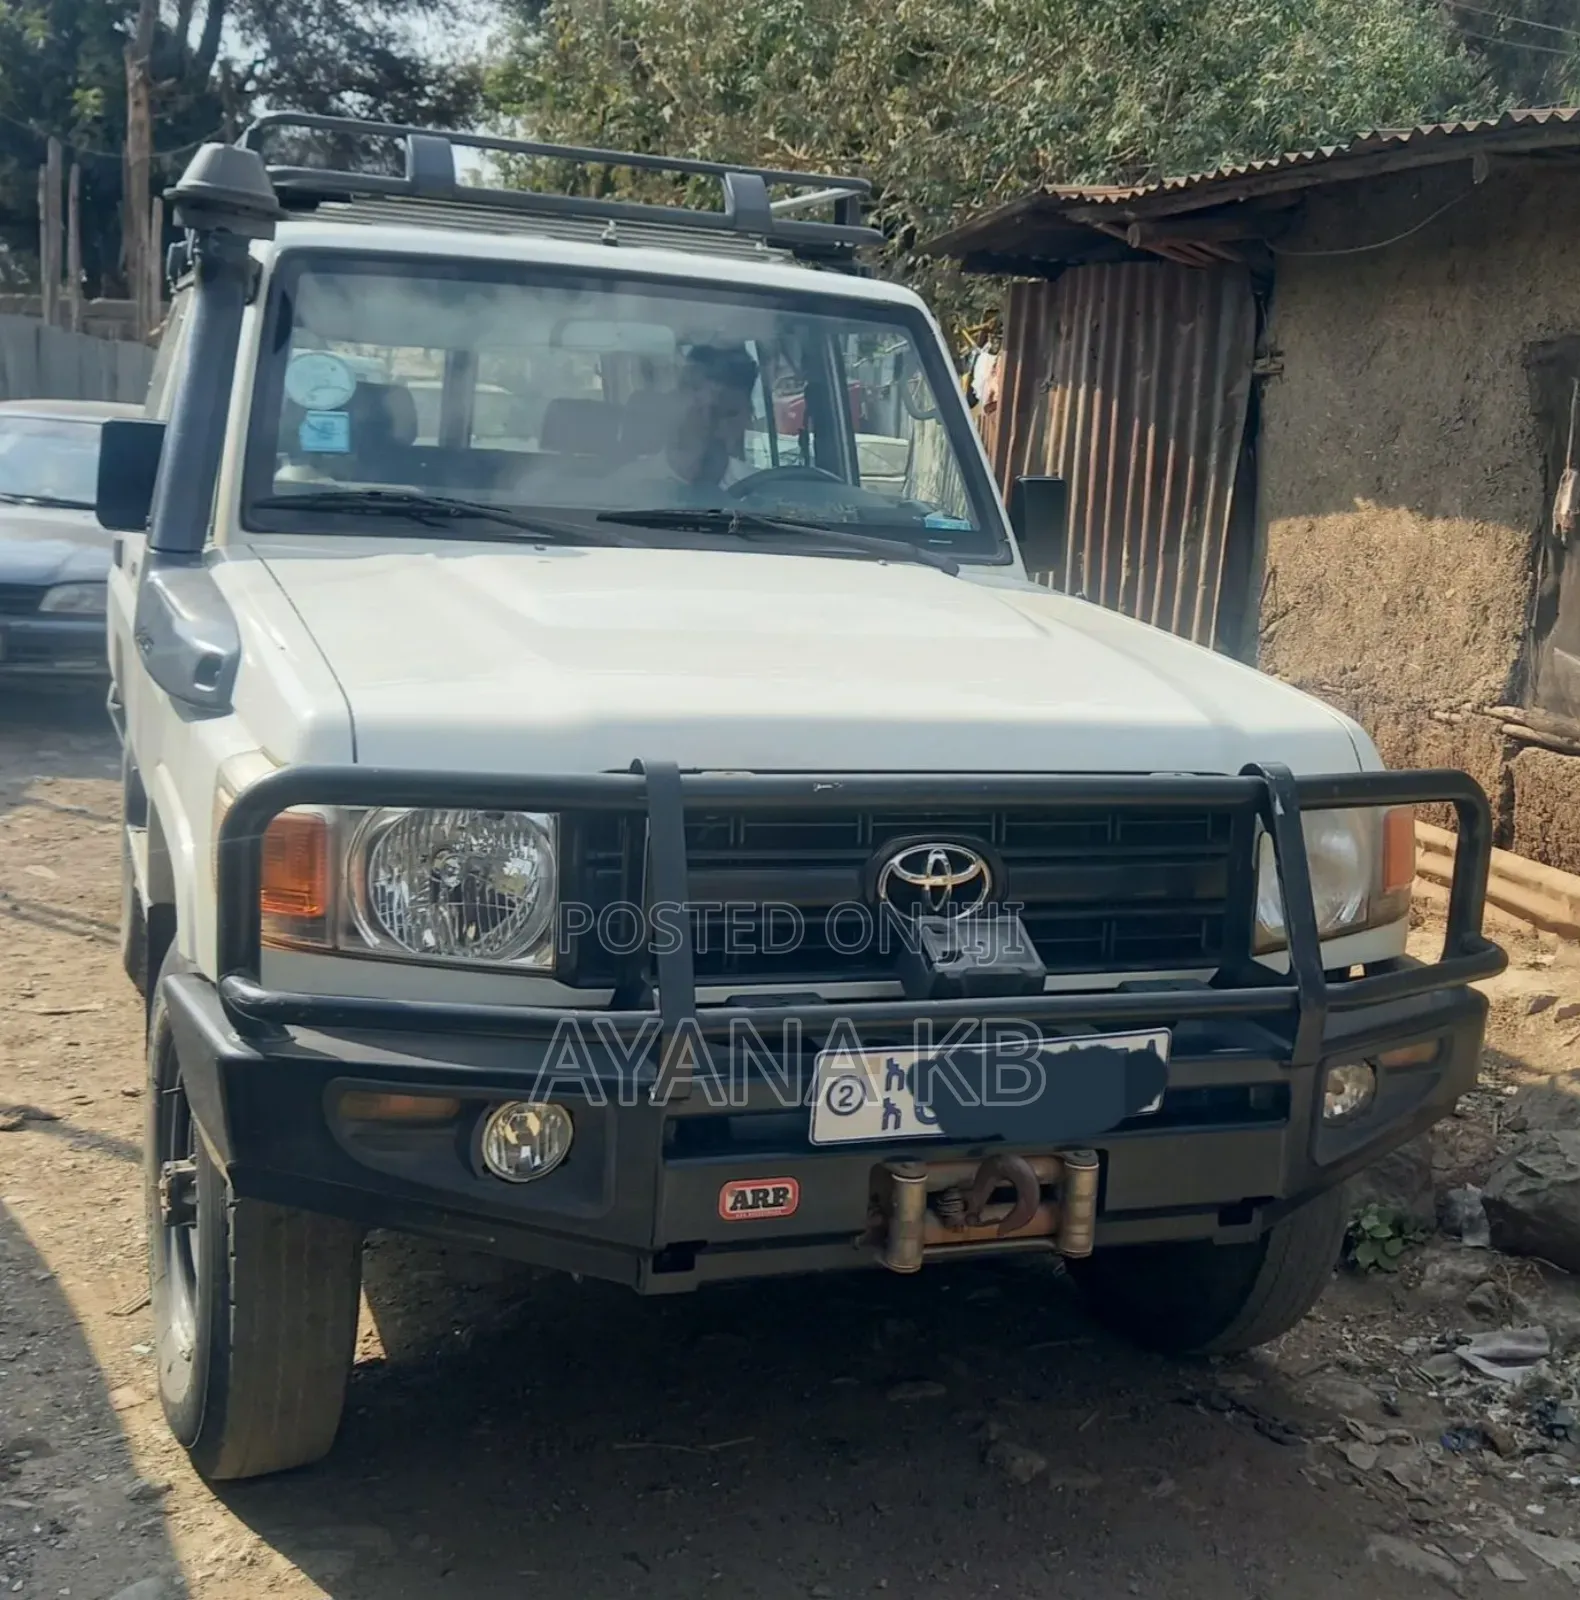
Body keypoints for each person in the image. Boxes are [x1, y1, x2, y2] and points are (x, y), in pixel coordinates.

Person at [606, 344, 759, 504]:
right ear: (678, 406)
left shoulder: (762, 491)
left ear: (747, 417)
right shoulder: (623, 491)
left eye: (728, 413)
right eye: (702, 411)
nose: (712, 426)